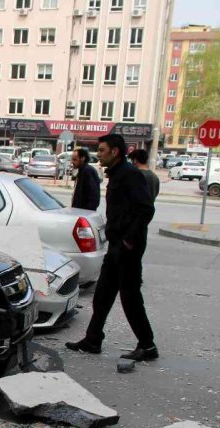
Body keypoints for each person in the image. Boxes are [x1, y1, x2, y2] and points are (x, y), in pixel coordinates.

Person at [67, 133, 158, 362]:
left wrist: (128, 240)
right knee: (103, 294)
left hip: (127, 248)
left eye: (102, 150)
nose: (98, 155)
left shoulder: (130, 174)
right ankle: (93, 339)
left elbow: (146, 210)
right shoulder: (117, 174)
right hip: (117, 245)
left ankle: (147, 345)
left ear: (114, 152)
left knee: (130, 297)